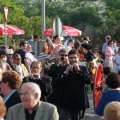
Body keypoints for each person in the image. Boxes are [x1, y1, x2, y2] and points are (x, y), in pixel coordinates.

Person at [55, 49, 91, 120]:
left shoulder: (83, 69)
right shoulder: (63, 69)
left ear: (78, 58)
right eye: (71, 58)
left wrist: (79, 71)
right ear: (68, 58)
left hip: (78, 101)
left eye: (75, 57)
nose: (73, 59)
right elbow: (57, 81)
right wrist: (66, 72)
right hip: (66, 102)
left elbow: (88, 80)